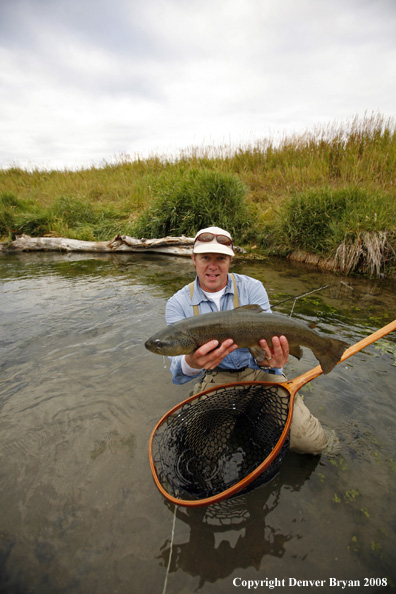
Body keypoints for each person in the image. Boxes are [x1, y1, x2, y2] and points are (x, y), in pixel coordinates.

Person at [165, 226, 335, 455]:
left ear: (230, 261)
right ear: (193, 259)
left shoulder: (252, 288)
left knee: (311, 444)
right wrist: (193, 362)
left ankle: (332, 443)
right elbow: (177, 372)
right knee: (198, 447)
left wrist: (273, 361)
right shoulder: (177, 304)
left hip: (261, 372)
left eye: (221, 258)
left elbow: (269, 345)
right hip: (219, 377)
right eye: (206, 257)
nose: (213, 266)